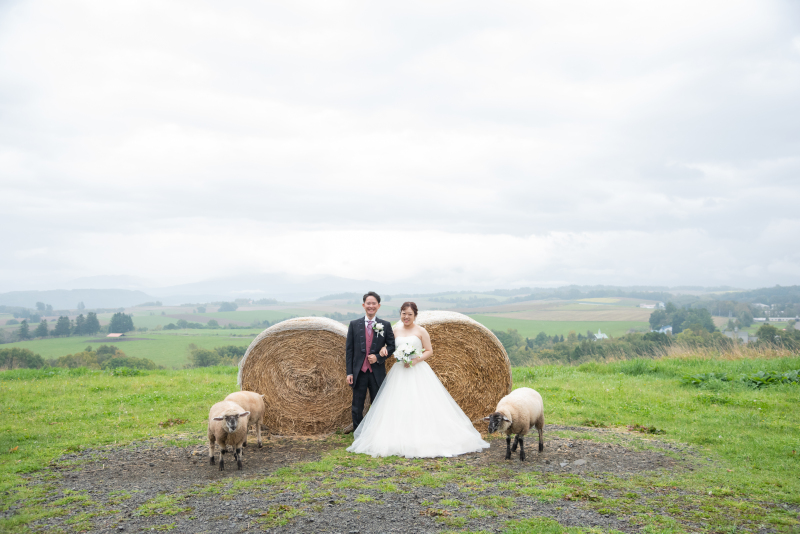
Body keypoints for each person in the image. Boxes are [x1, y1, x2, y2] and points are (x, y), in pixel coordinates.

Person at [347, 302, 489, 458]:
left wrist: (416, 360)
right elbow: (389, 346)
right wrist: (384, 349)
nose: (406, 317)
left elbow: (429, 350)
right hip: (399, 371)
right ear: (400, 314)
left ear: (415, 315)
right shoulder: (394, 330)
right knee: (397, 403)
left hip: (417, 369)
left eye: (410, 314)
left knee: (421, 402)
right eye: (403, 313)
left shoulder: (421, 331)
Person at [345, 291, 396, 431]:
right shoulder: (354, 324)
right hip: (359, 373)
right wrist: (349, 373)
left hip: (377, 373)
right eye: (368, 303)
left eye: (374, 303)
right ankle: (359, 434)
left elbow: (392, 346)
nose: (371, 306)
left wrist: (379, 357)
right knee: (357, 407)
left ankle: (377, 434)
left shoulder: (385, 325)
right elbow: (349, 351)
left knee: (379, 405)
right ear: (363, 305)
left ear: (378, 306)